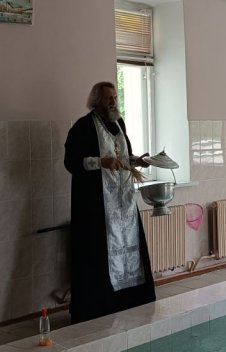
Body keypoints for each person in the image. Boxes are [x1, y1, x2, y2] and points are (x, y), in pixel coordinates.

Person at [63, 81, 156, 323]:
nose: (114, 102)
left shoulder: (118, 124)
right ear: (97, 101)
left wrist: (137, 161)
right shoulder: (83, 127)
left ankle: (129, 300)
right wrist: (100, 162)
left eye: (115, 97)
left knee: (130, 247)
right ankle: (100, 305)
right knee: (98, 252)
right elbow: (71, 162)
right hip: (97, 204)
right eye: (108, 98)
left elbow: (122, 158)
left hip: (123, 201)